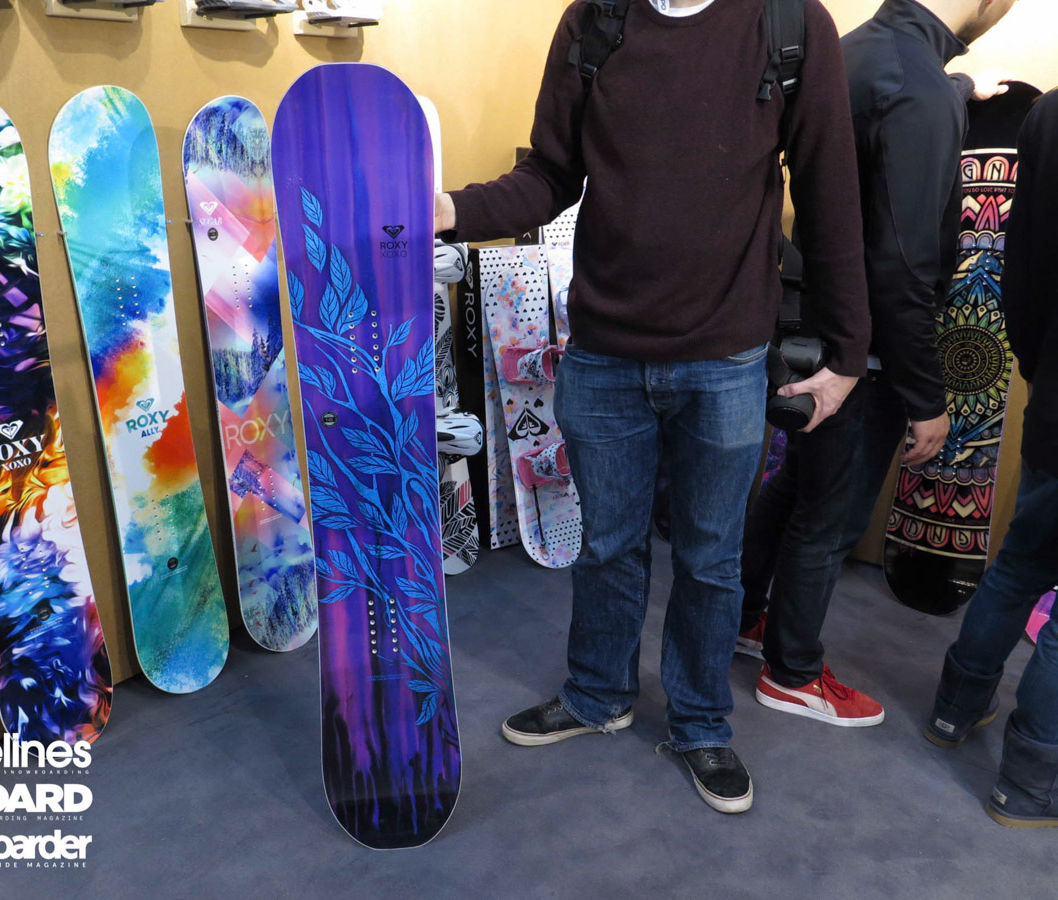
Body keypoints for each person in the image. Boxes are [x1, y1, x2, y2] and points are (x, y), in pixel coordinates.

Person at [435, 0, 871, 813]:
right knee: (606, 546)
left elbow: (828, 192)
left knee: (710, 559)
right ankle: (598, 693)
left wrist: (848, 350)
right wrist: (450, 211)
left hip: (726, 358)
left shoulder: (789, 24)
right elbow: (549, 175)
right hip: (604, 354)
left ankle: (702, 723)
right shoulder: (596, 20)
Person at [736, 0, 1019, 726]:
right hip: (863, 350)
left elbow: (872, 146)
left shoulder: (857, 50)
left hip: (811, 324)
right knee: (829, 516)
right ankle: (792, 673)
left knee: (797, 488)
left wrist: (958, 89)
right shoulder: (916, 87)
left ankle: (745, 618)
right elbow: (904, 268)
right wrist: (927, 396)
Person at [924, 88, 1058, 829]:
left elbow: (1022, 272)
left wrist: (1042, 368)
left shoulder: (1050, 116)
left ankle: (955, 706)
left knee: (1020, 562)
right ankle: (1031, 783)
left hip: (1056, 392)